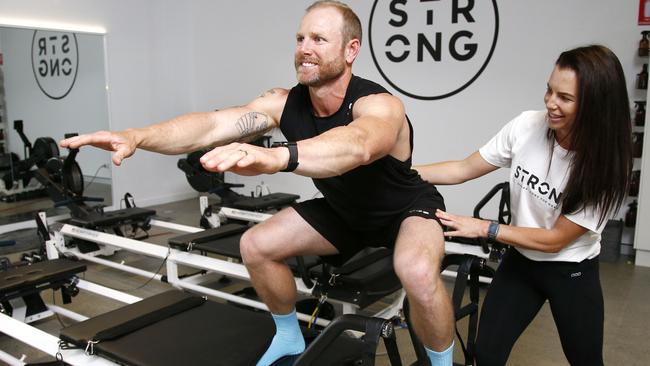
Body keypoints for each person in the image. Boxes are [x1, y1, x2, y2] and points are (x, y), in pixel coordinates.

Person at [61, 1, 455, 365]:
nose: (305, 48)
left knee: (416, 271)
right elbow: (211, 124)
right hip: (345, 213)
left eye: (319, 39)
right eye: (301, 38)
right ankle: (288, 336)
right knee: (257, 245)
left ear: (350, 50)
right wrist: (137, 135)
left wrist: (277, 156)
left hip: (405, 210)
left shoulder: (378, 104)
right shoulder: (283, 102)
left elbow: (360, 146)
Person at [415, 45, 633, 366]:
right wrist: (403, 173)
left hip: (570, 269)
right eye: (549, 90)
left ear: (595, 105)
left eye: (565, 98)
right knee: (487, 354)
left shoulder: (605, 166)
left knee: (586, 360)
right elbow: (463, 169)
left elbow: (556, 239)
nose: (550, 103)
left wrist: (486, 228)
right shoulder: (527, 126)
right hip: (521, 263)